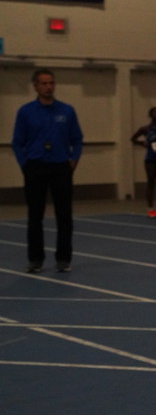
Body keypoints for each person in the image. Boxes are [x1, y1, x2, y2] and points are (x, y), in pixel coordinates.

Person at [12, 69, 83, 273]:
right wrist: (25, 164)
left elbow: (77, 139)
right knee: (35, 216)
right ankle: (36, 259)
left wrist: (73, 160)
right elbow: (17, 142)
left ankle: (63, 259)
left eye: (51, 83)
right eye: (44, 83)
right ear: (35, 86)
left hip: (61, 166)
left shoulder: (67, 111)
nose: (48, 87)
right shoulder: (25, 111)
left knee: (64, 215)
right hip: (35, 166)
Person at [131, 107, 156, 218]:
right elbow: (133, 138)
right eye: (155, 113)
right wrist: (142, 143)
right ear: (150, 115)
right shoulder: (145, 129)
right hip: (151, 158)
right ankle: (150, 208)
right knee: (151, 181)